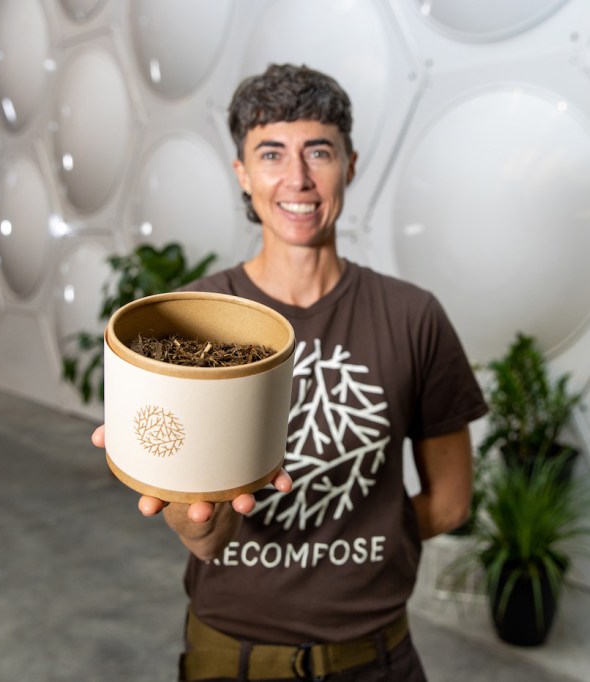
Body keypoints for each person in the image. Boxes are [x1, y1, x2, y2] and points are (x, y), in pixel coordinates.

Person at [92, 63, 487, 681]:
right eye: (271, 153)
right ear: (242, 174)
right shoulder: (195, 321)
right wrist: (186, 507)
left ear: (350, 165)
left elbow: (453, 501)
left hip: (376, 659)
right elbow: (205, 537)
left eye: (319, 152)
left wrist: (366, 543)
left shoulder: (413, 317)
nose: (297, 179)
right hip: (232, 658)